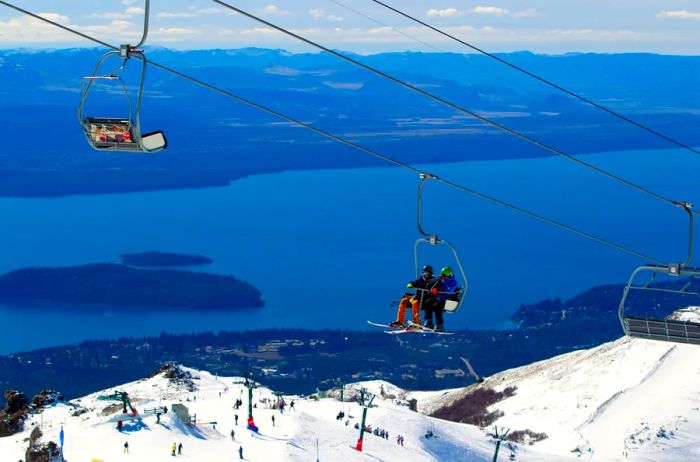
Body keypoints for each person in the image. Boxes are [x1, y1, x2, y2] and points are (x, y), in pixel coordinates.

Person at [423, 266, 460, 331]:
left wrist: (438, 290)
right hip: (439, 298)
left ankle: (439, 325)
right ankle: (429, 322)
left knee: (437, 306)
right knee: (428, 302)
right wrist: (438, 280)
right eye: (443, 276)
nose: (444, 277)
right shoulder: (443, 281)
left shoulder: (454, 282)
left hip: (448, 300)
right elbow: (429, 286)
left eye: (444, 276)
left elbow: (448, 291)